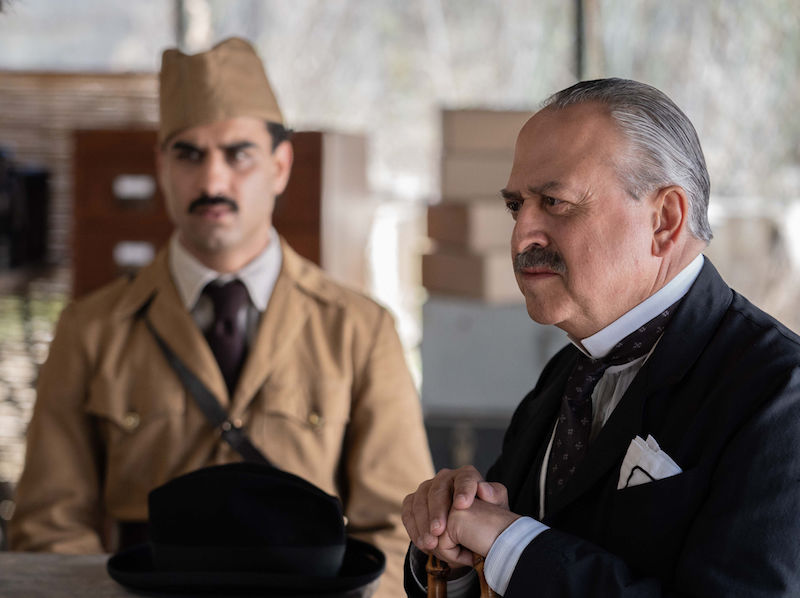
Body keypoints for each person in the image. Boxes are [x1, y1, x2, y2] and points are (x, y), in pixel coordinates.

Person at [9, 37, 433, 598]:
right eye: (188, 154)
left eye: (238, 155)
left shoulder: (358, 330)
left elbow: (402, 531)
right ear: (161, 166)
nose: (212, 182)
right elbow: (49, 525)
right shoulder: (90, 330)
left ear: (280, 166)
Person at [402, 78, 800, 596]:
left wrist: (508, 544)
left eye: (554, 201)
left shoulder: (780, 396)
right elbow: (500, 552)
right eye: (516, 206)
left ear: (665, 221)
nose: (521, 236)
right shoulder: (570, 372)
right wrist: (451, 548)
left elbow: (515, 548)